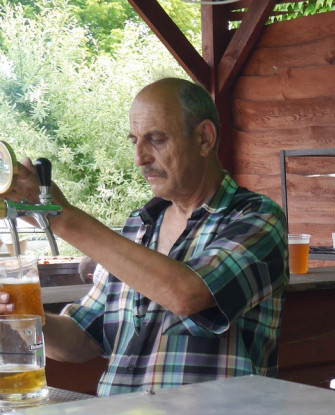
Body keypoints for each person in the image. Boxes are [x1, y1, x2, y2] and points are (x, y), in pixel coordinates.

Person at [0, 78, 289, 396]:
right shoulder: (138, 225)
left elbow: (187, 295)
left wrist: (62, 219)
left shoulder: (257, 218)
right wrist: (22, 315)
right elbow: (81, 340)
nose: (140, 158)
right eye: (135, 140)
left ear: (204, 138)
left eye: (156, 140)